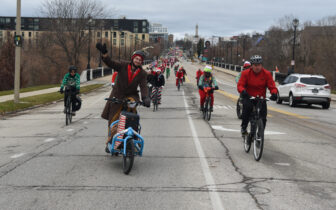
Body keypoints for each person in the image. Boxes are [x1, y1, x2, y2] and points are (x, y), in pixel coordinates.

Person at [96, 43, 151, 152]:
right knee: (113, 120)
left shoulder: (142, 73)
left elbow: (143, 86)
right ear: (132, 59)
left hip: (131, 96)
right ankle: (111, 141)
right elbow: (110, 63)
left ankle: (132, 139)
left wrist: (145, 97)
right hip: (117, 95)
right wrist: (105, 54)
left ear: (142, 62)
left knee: (132, 117)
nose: (138, 61)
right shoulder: (123, 65)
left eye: (140, 60)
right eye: (136, 59)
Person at [237, 55, 278, 135]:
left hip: (261, 99)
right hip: (249, 97)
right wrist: (243, 91)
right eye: (255, 65)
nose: (257, 67)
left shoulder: (267, 74)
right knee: (246, 111)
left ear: (261, 65)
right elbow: (240, 85)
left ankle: (260, 134)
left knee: (263, 118)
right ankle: (244, 127)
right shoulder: (246, 73)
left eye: (259, 65)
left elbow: (272, 86)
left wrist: (274, 93)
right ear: (251, 66)